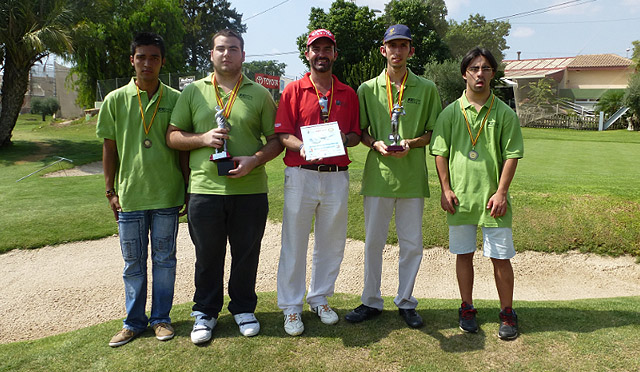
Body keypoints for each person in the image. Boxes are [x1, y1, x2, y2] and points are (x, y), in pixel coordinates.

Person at [166, 29, 281, 343]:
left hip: (250, 189)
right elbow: (173, 136)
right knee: (207, 255)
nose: (226, 54)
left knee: (246, 254)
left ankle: (243, 308)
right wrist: (203, 138)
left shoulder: (259, 94)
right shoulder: (193, 92)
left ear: (243, 55)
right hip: (204, 190)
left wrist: (254, 160)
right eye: (220, 49)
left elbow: (275, 142)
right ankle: (205, 312)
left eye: (233, 48)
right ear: (211, 55)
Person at [345, 24, 441, 328]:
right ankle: (371, 300)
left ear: (410, 50)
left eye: (403, 46)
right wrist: (374, 143)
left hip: (412, 178)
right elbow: (360, 131)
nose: (397, 51)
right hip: (378, 177)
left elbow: (432, 133)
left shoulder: (426, 88)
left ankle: (406, 302)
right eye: (392, 45)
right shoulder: (366, 89)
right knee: (373, 242)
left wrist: (410, 143)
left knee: (412, 243)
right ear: (383, 50)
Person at [97, 32, 187, 347]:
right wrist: (110, 190)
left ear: (162, 61)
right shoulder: (115, 99)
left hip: (166, 194)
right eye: (141, 57)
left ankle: (161, 319)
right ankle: (133, 323)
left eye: (154, 57)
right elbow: (110, 149)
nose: (147, 63)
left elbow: (183, 150)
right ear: (132, 60)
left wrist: (187, 188)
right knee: (133, 263)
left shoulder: (175, 98)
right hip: (130, 197)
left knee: (164, 261)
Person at [429, 47, 524, 340]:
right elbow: (440, 152)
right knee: (463, 255)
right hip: (461, 199)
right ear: (464, 74)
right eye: (474, 69)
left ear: (493, 74)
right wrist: (445, 189)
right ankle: (467, 308)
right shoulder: (450, 112)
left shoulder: (504, 113)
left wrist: (502, 192)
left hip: (493, 200)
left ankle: (507, 313)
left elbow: (512, 155)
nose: (479, 74)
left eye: (485, 69)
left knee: (500, 258)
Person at [275, 29, 361, 336]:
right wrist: (303, 146)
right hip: (301, 174)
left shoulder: (348, 93)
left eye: (327, 48)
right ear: (307, 54)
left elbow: (355, 135)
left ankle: (320, 297)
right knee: (294, 243)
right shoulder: (293, 90)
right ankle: (291, 307)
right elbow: (283, 135)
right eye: (316, 49)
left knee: (332, 242)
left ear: (335, 54)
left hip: (336, 176)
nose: (321, 54)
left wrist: (342, 138)